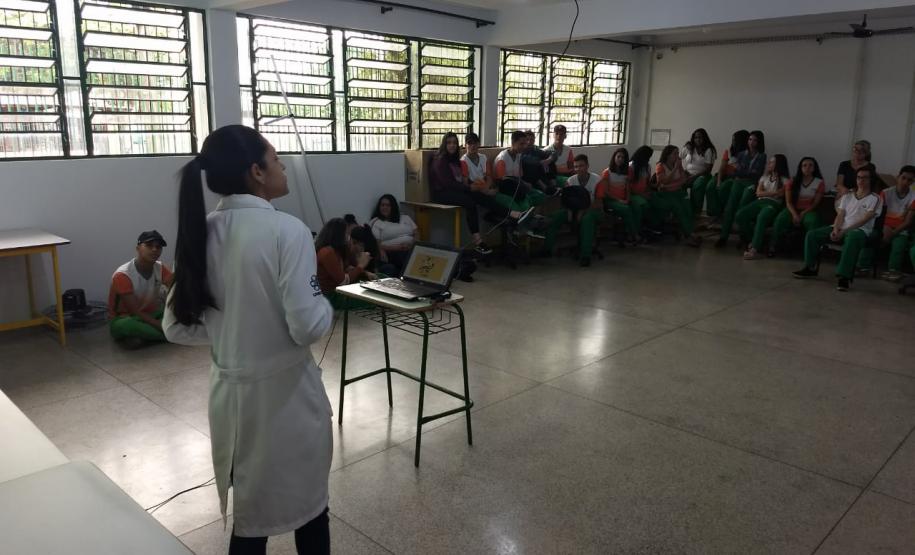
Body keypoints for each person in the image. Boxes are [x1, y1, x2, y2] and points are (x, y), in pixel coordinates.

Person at [162, 125, 333, 555]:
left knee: (251, 515)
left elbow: (176, 326)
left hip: (230, 400)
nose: (283, 167)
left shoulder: (203, 230)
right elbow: (307, 327)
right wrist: (329, 301)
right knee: (310, 507)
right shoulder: (287, 230)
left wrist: (232, 332)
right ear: (257, 172)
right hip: (287, 398)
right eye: (276, 160)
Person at [793, 166, 882, 292]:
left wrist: (844, 231)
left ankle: (844, 277)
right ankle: (809, 267)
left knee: (852, 237)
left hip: (860, 230)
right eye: (859, 177)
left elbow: (865, 219)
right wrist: (836, 229)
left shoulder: (875, 198)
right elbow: (840, 214)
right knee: (812, 234)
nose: (861, 180)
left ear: (871, 180)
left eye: (865, 178)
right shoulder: (848, 196)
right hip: (841, 227)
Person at [430, 132, 503, 255]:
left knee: (480, 195)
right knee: (470, 201)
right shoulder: (440, 160)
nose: (452, 146)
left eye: (454, 143)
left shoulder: (453, 158)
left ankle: (511, 214)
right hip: (442, 193)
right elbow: (448, 183)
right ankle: (478, 241)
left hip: (454, 190)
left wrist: (472, 186)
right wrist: (469, 188)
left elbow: (460, 179)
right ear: (444, 144)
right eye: (449, 143)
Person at [107, 230, 173, 345]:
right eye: (149, 245)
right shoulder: (123, 274)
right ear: (138, 248)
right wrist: (161, 326)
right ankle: (170, 336)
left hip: (152, 314)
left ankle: (143, 337)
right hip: (126, 319)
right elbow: (135, 311)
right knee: (127, 326)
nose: (154, 250)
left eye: (158, 247)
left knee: (173, 312)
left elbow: (176, 289)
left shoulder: (160, 268)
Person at [543, 154, 604, 266]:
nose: (578, 169)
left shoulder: (597, 180)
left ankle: (585, 255)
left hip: (593, 210)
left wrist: (583, 212)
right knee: (554, 217)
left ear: (587, 166)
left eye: (581, 166)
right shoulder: (570, 181)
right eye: (576, 166)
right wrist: (571, 212)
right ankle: (547, 249)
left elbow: (598, 203)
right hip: (573, 210)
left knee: (587, 220)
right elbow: (566, 201)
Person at [715, 130, 767, 247]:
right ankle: (723, 237)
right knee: (730, 207)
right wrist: (744, 172)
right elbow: (737, 171)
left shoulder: (762, 156)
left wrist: (743, 171)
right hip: (738, 182)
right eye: (750, 139)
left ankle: (744, 237)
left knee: (741, 208)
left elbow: (756, 173)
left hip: (751, 184)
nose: (752, 142)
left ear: (759, 142)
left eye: (755, 140)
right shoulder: (741, 154)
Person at [769, 156, 826, 257]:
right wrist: (795, 215)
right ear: (800, 168)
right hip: (792, 209)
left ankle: (810, 252)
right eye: (804, 165)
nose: (807, 168)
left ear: (814, 168)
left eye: (810, 165)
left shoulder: (819, 182)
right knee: (780, 219)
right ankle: (774, 246)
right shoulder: (792, 181)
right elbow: (788, 202)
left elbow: (815, 203)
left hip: (809, 210)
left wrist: (803, 213)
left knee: (812, 222)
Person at [735, 154, 789, 260]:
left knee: (762, 217)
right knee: (740, 214)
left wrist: (767, 193)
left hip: (773, 204)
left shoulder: (785, 180)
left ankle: (754, 248)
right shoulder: (764, 177)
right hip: (760, 201)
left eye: (772, 162)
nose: (769, 163)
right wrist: (773, 193)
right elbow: (758, 193)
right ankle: (754, 240)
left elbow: (781, 194)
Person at [650, 144, 703, 247]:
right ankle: (691, 235)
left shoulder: (679, 165)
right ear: (668, 155)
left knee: (688, 209)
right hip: (667, 194)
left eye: (678, 153)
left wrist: (669, 184)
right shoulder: (660, 166)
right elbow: (663, 181)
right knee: (679, 209)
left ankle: (689, 233)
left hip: (679, 192)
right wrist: (674, 171)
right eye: (675, 153)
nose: (678, 156)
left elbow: (683, 180)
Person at [315, 217, 373, 308]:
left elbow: (348, 268)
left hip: (339, 291)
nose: (349, 237)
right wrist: (361, 266)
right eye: (347, 234)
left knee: (381, 277)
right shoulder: (327, 252)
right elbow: (343, 281)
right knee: (373, 299)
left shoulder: (339, 249)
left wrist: (364, 272)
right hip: (331, 297)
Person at [873, 165, 915, 282]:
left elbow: (908, 221)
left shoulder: (913, 197)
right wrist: (884, 228)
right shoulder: (886, 193)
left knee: (899, 244)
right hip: (884, 226)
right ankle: (863, 266)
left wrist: (892, 233)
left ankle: (893, 271)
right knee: (872, 237)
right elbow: (878, 215)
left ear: (913, 182)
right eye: (903, 178)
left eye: (910, 180)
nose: (905, 182)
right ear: (898, 177)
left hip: (901, 229)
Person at [494, 130, 544, 217]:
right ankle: (527, 225)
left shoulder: (518, 155)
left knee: (540, 196)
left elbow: (520, 175)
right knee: (524, 202)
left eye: (525, 143)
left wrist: (524, 184)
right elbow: (502, 181)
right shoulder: (502, 159)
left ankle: (535, 218)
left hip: (518, 186)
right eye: (521, 144)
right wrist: (523, 185)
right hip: (505, 190)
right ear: (513, 142)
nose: (524, 146)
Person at [596, 147, 641, 244]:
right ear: (614, 157)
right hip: (611, 200)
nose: (620, 159)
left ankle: (629, 233)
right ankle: (635, 235)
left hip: (623, 199)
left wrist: (628, 199)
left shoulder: (628, 171)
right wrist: (619, 200)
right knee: (626, 209)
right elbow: (606, 192)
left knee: (637, 207)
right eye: (618, 156)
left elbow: (628, 187)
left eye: (623, 158)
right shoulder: (607, 172)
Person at [706, 129, 749, 219]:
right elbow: (722, 168)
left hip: (734, 178)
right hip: (723, 175)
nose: (732, 142)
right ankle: (713, 213)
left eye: (734, 140)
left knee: (723, 188)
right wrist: (718, 181)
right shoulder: (729, 151)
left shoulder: (748, 153)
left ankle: (724, 213)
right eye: (732, 140)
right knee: (710, 186)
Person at [370, 193, 417, 274]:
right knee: (405, 257)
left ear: (393, 207)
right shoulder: (377, 222)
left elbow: (416, 233)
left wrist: (412, 245)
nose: (385, 208)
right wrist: (398, 248)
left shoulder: (405, 217)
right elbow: (376, 244)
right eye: (382, 205)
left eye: (388, 205)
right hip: (391, 252)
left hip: (410, 249)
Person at [680, 128, 717, 216]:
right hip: (688, 173)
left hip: (703, 175)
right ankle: (683, 209)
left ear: (704, 138)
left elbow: (708, 169)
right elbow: (678, 159)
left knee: (698, 185)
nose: (698, 139)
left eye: (700, 137)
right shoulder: (689, 147)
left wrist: (694, 176)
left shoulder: (709, 150)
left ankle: (695, 213)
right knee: (679, 184)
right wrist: (683, 172)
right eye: (696, 137)